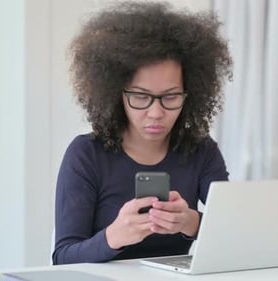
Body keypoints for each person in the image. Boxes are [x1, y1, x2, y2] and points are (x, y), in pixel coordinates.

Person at [52, 1, 232, 265]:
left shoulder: (201, 151)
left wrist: (193, 223)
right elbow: (63, 257)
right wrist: (113, 237)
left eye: (170, 97)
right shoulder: (86, 155)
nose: (156, 112)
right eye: (141, 96)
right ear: (116, 94)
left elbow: (233, 233)